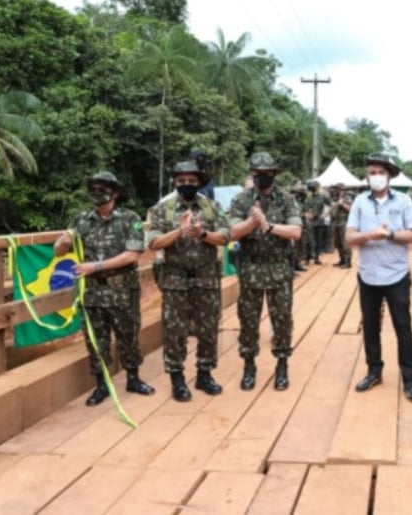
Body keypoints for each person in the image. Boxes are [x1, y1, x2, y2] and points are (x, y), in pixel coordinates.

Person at [53, 171, 154, 406]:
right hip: (92, 293)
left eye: (103, 188)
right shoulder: (81, 220)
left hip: (122, 291)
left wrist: (95, 266)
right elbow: (59, 251)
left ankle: (133, 379)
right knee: (96, 340)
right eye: (94, 188)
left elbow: (132, 255)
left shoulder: (129, 218)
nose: (97, 193)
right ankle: (101, 385)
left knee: (128, 335)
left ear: (115, 193)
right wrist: (63, 242)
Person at [146, 161, 230, 402]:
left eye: (191, 181)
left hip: (206, 278)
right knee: (175, 330)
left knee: (208, 328)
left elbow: (226, 237)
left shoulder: (212, 207)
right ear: (175, 182)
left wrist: (203, 234)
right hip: (175, 279)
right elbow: (152, 242)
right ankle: (177, 378)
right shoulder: (163, 209)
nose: (186, 184)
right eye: (181, 180)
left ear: (199, 182)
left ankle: (204, 374)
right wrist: (179, 232)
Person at [346, 153, 412, 403]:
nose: (376, 177)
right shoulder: (359, 202)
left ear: (389, 176)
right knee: (370, 326)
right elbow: (349, 237)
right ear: (367, 176)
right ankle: (373, 371)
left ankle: (409, 379)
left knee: (403, 326)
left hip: (396, 274)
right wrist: (370, 235)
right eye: (372, 173)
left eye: (381, 173)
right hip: (368, 275)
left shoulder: (403, 201)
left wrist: (389, 235)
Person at [229, 152, 302, 391]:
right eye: (257, 173)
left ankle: (282, 365)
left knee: (282, 319)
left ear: (274, 173)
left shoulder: (287, 199)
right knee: (248, 320)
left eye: (267, 173)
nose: (262, 176)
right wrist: (251, 222)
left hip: (279, 268)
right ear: (252, 173)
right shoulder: (242, 199)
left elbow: (295, 231)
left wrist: (268, 226)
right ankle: (249, 366)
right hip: (250, 268)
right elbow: (231, 233)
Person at [329, 183, 353, 268]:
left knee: (345, 242)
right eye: (336, 189)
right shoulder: (335, 198)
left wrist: (342, 204)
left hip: (344, 222)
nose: (337, 190)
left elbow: (350, 209)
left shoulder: (347, 198)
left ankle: (347, 261)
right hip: (335, 222)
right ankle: (342, 259)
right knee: (337, 242)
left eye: (338, 189)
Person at [306, 180, 330, 264]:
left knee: (318, 240)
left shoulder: (323, 197)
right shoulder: (308, 197)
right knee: (309, 240)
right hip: (310, 221)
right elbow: (304, 208)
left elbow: (331, 205)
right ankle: (307, 258)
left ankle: (316, 258)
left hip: (319, 221)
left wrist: (325, 214)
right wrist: (307, 214)